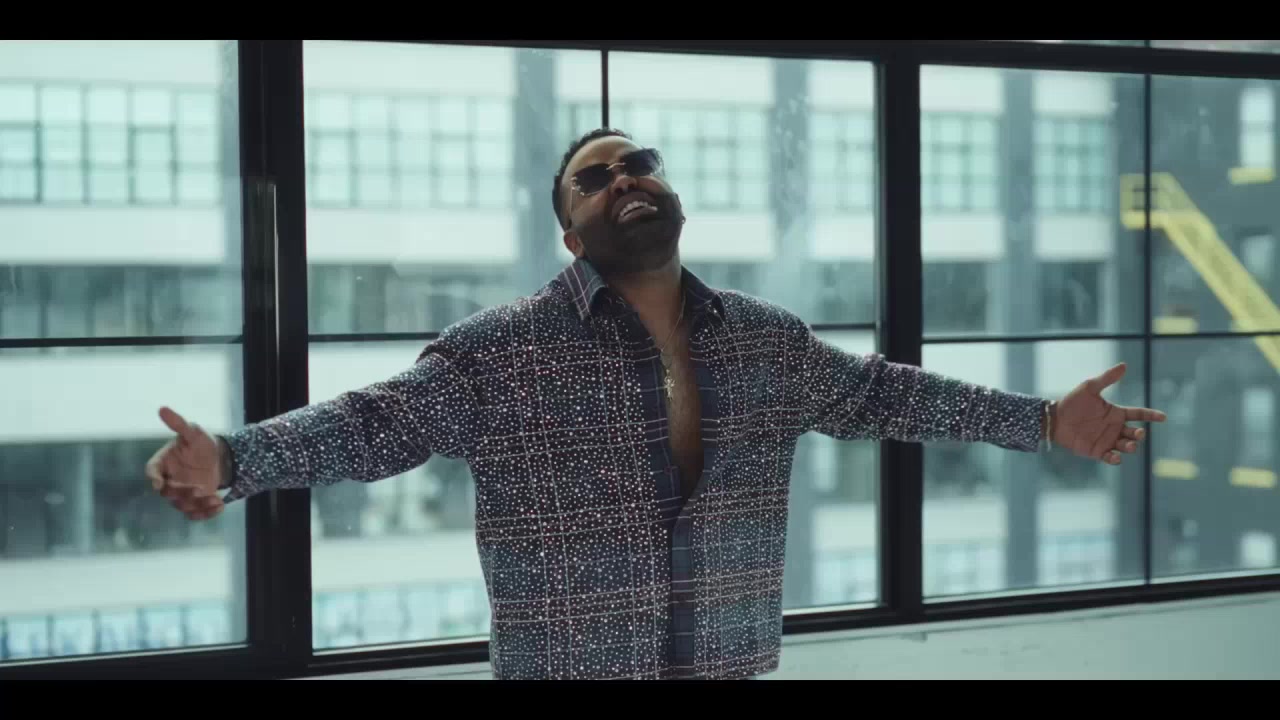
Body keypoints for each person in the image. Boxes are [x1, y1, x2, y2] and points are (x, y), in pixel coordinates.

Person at [145, 128, 1167, 680]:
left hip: (727, 666)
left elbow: (883, 394)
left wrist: (1042, 421)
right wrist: (233, 457)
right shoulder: (500, 350)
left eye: (639, 163)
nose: (624, 177)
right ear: (571, 233)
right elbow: (376, 424)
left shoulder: (766, 339)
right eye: (594, 177)